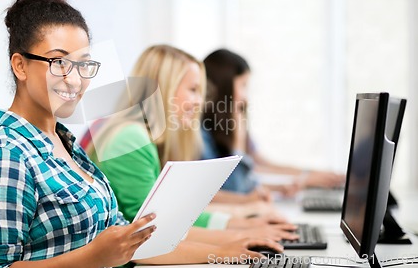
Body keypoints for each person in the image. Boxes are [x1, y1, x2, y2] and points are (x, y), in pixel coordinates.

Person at [0, 0, 159, 268]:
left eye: (84, 65)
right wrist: (94, 257)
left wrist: (234, 249)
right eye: (60, 62)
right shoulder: (5, 157)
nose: (75, 80)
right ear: (20, 66)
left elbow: (128, 240)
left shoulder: (66, 146)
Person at [83, 45, 298, 254]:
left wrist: (242, 225)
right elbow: (151, 232)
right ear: (163, 87)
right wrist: (236, 237)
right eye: (193, 90)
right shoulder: (129, 138)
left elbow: (176, 218)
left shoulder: (145, 137)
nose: (199, 102)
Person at [201, 49, 345, 201]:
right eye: (243, 85)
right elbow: (236, 184)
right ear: (224, 87)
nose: (246, 97)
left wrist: (307, 174)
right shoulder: (204, 134)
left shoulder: (232, 123)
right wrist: (303, 178)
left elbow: (257, 163)